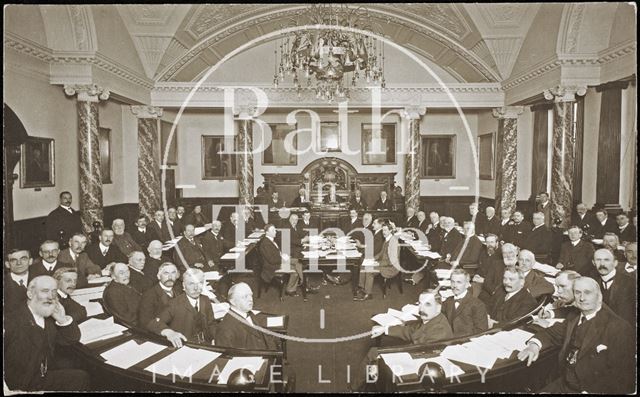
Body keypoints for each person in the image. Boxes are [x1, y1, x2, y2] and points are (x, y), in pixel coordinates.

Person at [518, 277, 634, 393]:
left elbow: (623, 378)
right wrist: (533, 346)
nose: (582, 298)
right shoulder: (574, 317)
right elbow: (551, 333)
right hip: (564, 383)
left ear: (599, 296)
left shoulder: (619, 327)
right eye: (578, 293)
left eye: (587, 293)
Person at [352, 290, 453, 391]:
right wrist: (385, 329)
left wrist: (383, 356)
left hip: (422, 366)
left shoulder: (440, 330)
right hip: (418, 356)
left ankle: (355, 389)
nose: (421, 309)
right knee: (374, 354)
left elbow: (419, 352)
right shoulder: (433, 319)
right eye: (420, 304)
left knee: (373, 353)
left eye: (427, 304)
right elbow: (410, 331)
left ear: (438, 307)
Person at [5, 275, 89, 391]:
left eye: (54, 292)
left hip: (41, 374)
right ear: (30, 294)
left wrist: (62, 319)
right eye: (45, 291)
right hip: (20, 384)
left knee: (81, 376)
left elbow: (72, 339)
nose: (50, 297)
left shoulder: (47, 316)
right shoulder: (11, 321)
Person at [148, 268, 217, 347]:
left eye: (200, 283)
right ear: (184, 285)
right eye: (191, 284)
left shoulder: (205, 299)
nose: (196, 288)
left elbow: (211, 323)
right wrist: (169, 332)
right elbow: (153, 323)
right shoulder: (174, 304)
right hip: (185, 346)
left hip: (205, 344)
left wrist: (215, 337)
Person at [215, 282, 280, 350]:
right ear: (233, 302)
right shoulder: (225, 329)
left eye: (251, 295)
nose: (250, 299)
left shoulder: (248, 313)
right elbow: (226, 357)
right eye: (245, 297)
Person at [354, 221, 400, 301]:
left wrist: (378, 263)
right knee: (363, 265)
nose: (383, 232)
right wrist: (373, 259)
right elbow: (381, 253)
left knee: (369, 270)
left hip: (390, 267)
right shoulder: (387, 240)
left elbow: (391, 262)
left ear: (390, 231)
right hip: (384, 263)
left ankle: (368, 294)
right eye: (383, 230)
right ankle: (362, 287)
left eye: (385, 230)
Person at [592, 248, 635, 324]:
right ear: (593, 263)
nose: (602, 264)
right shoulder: (591, 282)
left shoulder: (631, 283)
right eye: (598, 260)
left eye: (606, 260)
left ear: (615, 263)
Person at [258, 224, 302, 297]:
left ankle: (302, 283)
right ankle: (290, 290)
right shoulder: (265, 244)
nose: (275, 232)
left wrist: (283, 255)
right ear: (267, 232)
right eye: (273, 230)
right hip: (273, 266)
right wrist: (284, 259)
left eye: (275, 230)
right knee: (296, 269)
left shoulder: (270, 240)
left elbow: (276, 253)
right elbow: (272, 260)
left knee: (298, 262)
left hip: (277, 261)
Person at [441, 269, 488, 337]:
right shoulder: (447, 302)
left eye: (459, 282)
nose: (455, 286)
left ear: (467, 284)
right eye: (452, 282)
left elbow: (481, 332)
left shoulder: (478, 305)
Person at [138, 262, 183, 328]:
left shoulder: (179, 291)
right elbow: (145, 322)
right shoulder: (149, 295)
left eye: (173, 273)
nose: (170, 277)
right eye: (166, 273)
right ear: (159, 276)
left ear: (177, 276)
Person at [4, 248, 32, 314]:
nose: (19, 263)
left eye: (23, 259)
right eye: (13, 260)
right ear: (7, 264)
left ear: (30, 261)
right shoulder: (4, 283)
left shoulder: (41, 280)